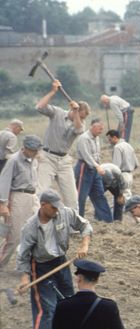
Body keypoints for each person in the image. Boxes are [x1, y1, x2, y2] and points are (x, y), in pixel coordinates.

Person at [16, 189, 92, 329]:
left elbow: (85, 225)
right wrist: (25, 278)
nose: (57, 211)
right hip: (40, 266)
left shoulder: (64, 213)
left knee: (67, 302)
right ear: (43, 205)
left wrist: (84, 245)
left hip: (60, 261)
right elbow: (23, 255)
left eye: (58, 208)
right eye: (53, 208)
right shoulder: (30, 227)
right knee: (46, 309)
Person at [36, 79, 90, 210]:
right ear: (71, 110)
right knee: (40, 193)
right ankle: (36, 221)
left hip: (64, 161)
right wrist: (53, 92)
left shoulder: (80, 122)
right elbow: (39, 107)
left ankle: (73, 226)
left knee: (72, 197)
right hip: (47, 157)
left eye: (83, 117)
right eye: (81, 116)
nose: (81, 119)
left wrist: (77, 113)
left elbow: (79, 130)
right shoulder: (57, 112)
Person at [0, 135, 43, 271]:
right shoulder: (13, 160)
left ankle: (30, 265)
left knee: (38, 229)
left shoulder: (34, 160)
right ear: (25, 148)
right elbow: (4, 182)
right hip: (17, 197)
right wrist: (3, 204)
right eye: (33, 150)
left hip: (32, 196)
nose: (36, 153)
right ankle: (1, 262)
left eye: (37, 150)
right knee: (14, 236)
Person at [74, 118, 112, 222]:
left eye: (102, 129)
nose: (101, 131)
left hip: (95, 170)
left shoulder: (97, 138)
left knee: (99, 194)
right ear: (92, 127)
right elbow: (87, 156)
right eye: (99, 129)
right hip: (84, 168)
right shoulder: (84, 138)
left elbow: (97, 155)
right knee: (81, 197)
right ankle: (78, 220)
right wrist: (97, 166)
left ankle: (107, 220)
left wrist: (97, 166)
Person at [106, 129, 139, 200]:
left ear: (115, 137)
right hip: (130, 175)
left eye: (110, 139)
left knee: (123, 198)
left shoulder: (117, 147)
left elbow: (116, 167)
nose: (109, 141)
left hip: (123, 175)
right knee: (127, 195)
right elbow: (136, 164)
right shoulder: (128, 145)